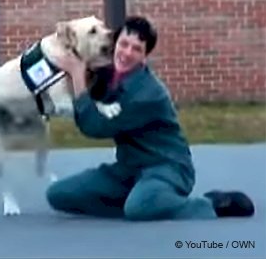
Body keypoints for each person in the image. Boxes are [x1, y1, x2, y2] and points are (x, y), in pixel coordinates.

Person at [46, 16, 255, 220]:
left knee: (138, 208)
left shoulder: (146, 93)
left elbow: (94, 126)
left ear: (145, 56)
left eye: (136, 49)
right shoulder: (109, 76)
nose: (127, 53)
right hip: (128, 170)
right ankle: (145, 203)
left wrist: (76, 75)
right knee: (58, 195)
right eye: (124, 44)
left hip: (167, 168)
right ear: (115, 43)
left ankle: (209, 205)